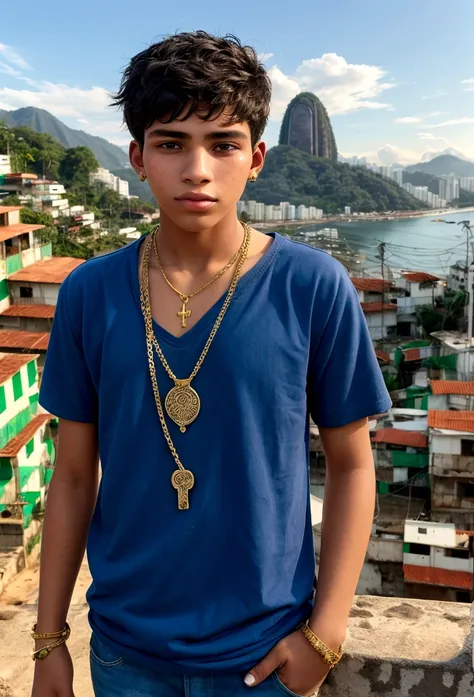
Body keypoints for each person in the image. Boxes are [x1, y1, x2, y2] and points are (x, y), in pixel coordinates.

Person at [32, 31, 391, 697]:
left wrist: (327, 631)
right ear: (138, 156)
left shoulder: (312, 286)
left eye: (222, 143)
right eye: (171, 142)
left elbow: (352, 462)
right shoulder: (90, 292)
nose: (197, 168)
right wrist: (49, 637)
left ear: (256, 157)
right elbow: (74, 478)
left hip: (264, 656)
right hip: (124, 653)